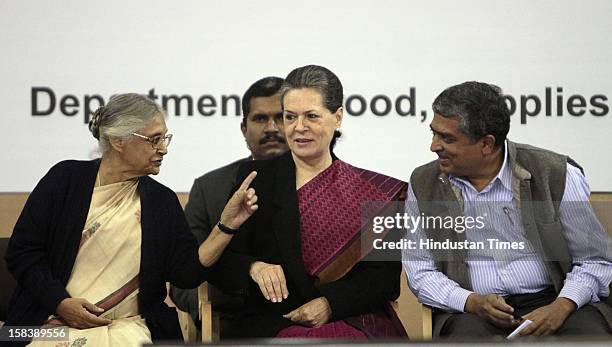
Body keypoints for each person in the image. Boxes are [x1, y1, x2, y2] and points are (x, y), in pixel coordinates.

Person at [4, 93, 258, 346]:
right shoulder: (65, 180)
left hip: (129, 326)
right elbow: (23, 252)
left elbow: (186, 275)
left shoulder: (161, 201)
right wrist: (61, 303)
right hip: (49, 320)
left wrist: (226, 226)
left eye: (165, 138)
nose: (164, 148)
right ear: (117, 140)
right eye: (154, 140)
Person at [206, 65, 408, 339]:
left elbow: (384, 280)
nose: (299, 128)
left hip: (351, 316)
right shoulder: (256, 179)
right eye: (290, 117)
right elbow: (223, 260)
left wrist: (330, 304)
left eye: (311, 116)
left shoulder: (375, 192)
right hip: (275, 321)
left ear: (337, 118)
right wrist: (254, 267)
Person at [402, 81, 612, 338]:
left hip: (557, 298)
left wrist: (563, 304)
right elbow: (420, 270)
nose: (434, 146)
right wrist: (470, 301)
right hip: (471, 311)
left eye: (447, 138)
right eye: (433, 133)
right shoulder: (424, 183)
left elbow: (595, 259)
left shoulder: (554, 173)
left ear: (487, 144)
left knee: (590, 339)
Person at [170, 76, 289, 337]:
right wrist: (217, 300)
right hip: (236, 324)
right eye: (260, 119)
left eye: (281, 117)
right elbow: (182, 281)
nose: (271, 128)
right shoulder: (209, 187)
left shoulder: (330, 183)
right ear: (243, 128)